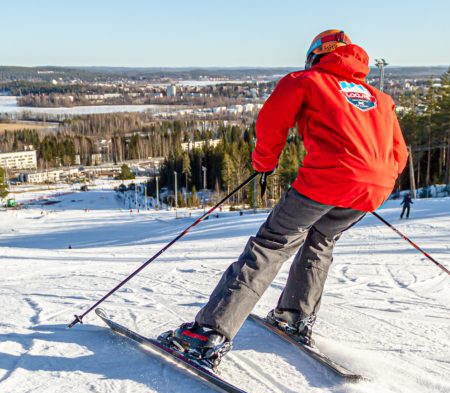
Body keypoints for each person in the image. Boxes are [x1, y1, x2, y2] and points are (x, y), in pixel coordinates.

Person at [160, 29, 408, 368]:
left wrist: (264, 163)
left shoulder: (307, 80)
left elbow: (273, 121)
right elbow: (399, 152)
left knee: (271, 245)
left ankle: (207, 334)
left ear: (314, 56)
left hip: (327, 179)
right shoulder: (379, 97)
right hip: (374, 187)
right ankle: (294, 316)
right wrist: (371, 180)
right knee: (321, 240)